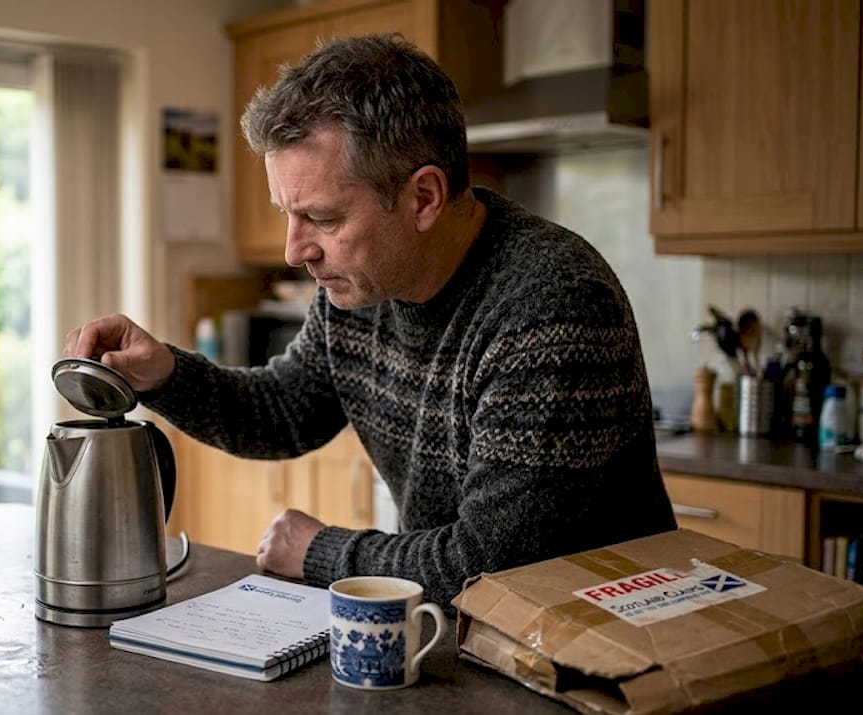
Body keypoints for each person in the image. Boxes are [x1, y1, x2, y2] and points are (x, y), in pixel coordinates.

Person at [65, 34, 675, 609]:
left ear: (424, 198)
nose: (293, 249)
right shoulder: (363, 287)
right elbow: (284, 410)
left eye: (323, 219)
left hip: (594, 654)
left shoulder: (550, 306)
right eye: (287, 214)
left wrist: (319, 552)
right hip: (473, 635)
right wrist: (164, 375)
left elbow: (492, 563)